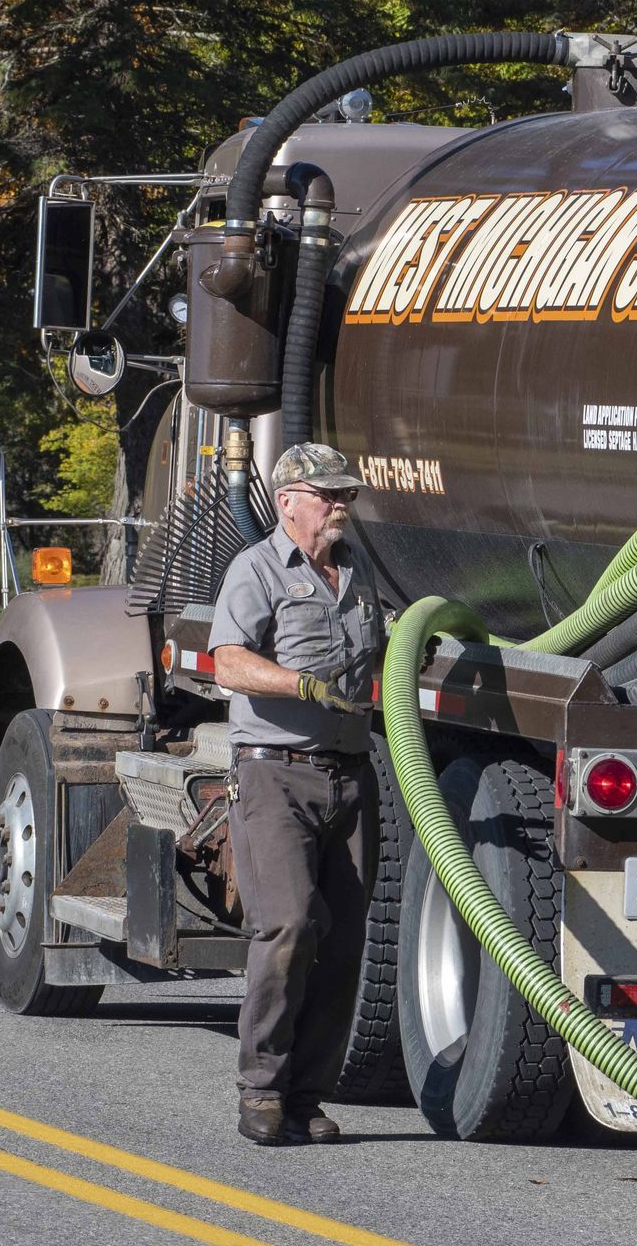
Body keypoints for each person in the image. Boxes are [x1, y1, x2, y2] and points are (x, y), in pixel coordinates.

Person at [208, 442, 384, 1145]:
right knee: (287, 927)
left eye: (347, 495)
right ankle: (261, 1091)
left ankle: (308, 1098)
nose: (342, 505)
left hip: (349, 775)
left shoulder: (357, 572)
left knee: (341, 944)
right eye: (329, 494)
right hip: (275, 774)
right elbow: (228, 662)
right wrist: (297, 683)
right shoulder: (256, 570)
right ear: (289, 501)